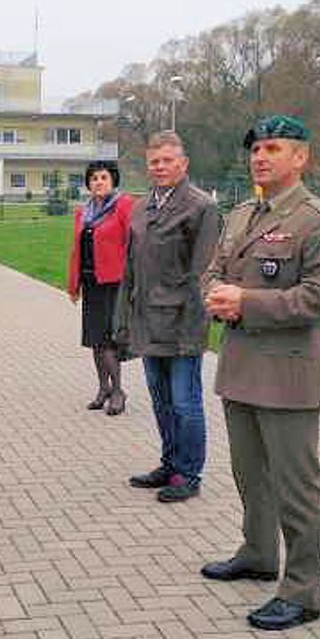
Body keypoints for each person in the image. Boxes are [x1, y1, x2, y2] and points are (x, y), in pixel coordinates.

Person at [201, 114, 320, 631]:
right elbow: (216, 270)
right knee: (250, 476)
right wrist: (215, 295)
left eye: (272, 148)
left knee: (296, 487)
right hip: (240, 366)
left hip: (287, 374)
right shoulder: (242, 213)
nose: (259, 157)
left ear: (300, 157)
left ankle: (303, 591)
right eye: (255, 149)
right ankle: (258, 553)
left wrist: (245, 301)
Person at [119, 131, 219, 502]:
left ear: (184, 164)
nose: (159, 167)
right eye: (154, 162)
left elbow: (203, 272)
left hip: (182, 324)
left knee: (185, 402)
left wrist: (194, 328)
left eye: (167, 161)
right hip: (147, 320)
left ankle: (189, 474)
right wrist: (124, 318)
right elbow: (130, 267)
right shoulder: (141, 206)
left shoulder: (201, 207)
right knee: (160, 400)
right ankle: (170, 463)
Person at [67, 160, 134, 415]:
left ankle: (118, 391)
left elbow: (133, 243)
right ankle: (103, 388)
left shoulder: (124, 206)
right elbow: (77, 251)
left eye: (103, 177)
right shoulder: (83, 213)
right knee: (94, 340)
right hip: (91, 283)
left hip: (113, 283)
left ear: (113, 181)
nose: (98, 182)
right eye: (94, 178)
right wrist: (73, 285)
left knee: (108, 340)